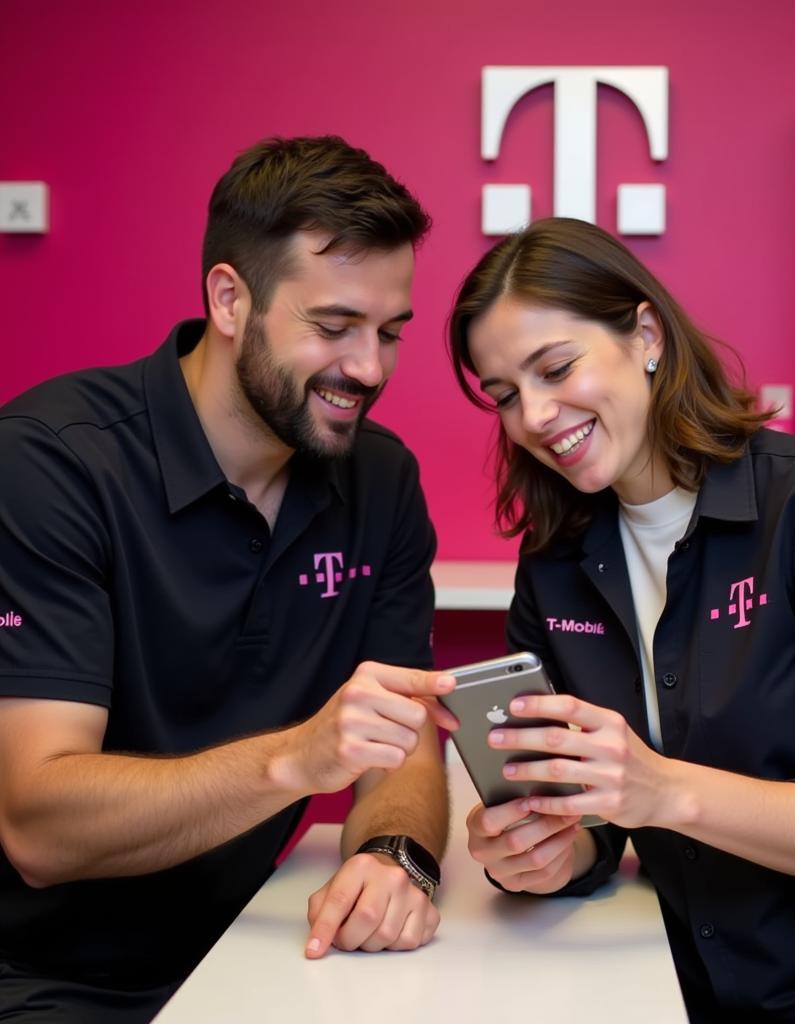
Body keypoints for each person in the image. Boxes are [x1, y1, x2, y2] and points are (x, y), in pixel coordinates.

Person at [446, 217, 795, 1023]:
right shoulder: (556, 562)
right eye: (504, 395)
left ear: (645, 334)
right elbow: (594, 823)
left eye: (556, 367)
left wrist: (659, 789)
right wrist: (547, 854)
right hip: (689, 995)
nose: (533, 415)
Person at [0, 135, 459, 1023]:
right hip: (49, 979)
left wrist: (393, 859)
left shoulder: (382, 480)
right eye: (333, 328)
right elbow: (37, 827)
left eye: (389, 332)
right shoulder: (49, 466)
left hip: (264, 953)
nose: (368, 369)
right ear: (229, 298)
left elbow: (402, 740)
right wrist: (298, 756)